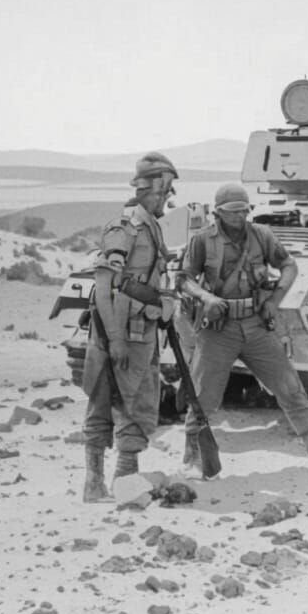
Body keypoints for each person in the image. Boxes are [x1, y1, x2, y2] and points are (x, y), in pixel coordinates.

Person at [176, 183, 308, 481]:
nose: (239, 216)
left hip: (256, 325)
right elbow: (183, 278)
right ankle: (193, 459)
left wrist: (274, 300)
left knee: (291, 390)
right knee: (203, 397)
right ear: (218, 212)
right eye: (232, 211)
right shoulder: (203, 240)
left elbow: (289, 265)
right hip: (218, 328)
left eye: (244, 210)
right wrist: (206, 298)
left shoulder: (261, 235)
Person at [80, 152, 178, 500]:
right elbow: (104, 284)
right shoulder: (125, 228)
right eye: (167, 189)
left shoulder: (149, 227)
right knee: (130, 404)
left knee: (117, 402)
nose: (169, 197)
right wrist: (117, 340)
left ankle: (101, 485)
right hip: (125, 333)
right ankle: (119, 485)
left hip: (136, 330)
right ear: (155, 187)